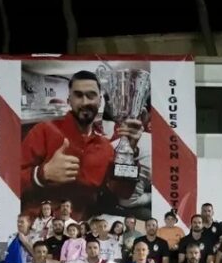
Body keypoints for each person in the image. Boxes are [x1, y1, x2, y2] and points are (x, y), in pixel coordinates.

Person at [20, 69, 141, 220]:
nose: (84, 102)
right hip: (38, 228)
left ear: (99, 100)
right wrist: (41, 174)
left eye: (91, 95)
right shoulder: (44, 131)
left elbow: (124, 192)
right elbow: (10, 182)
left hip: (81, 232)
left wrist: (130, 152)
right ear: (69, 100)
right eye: (78, 95)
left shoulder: (105, 148)